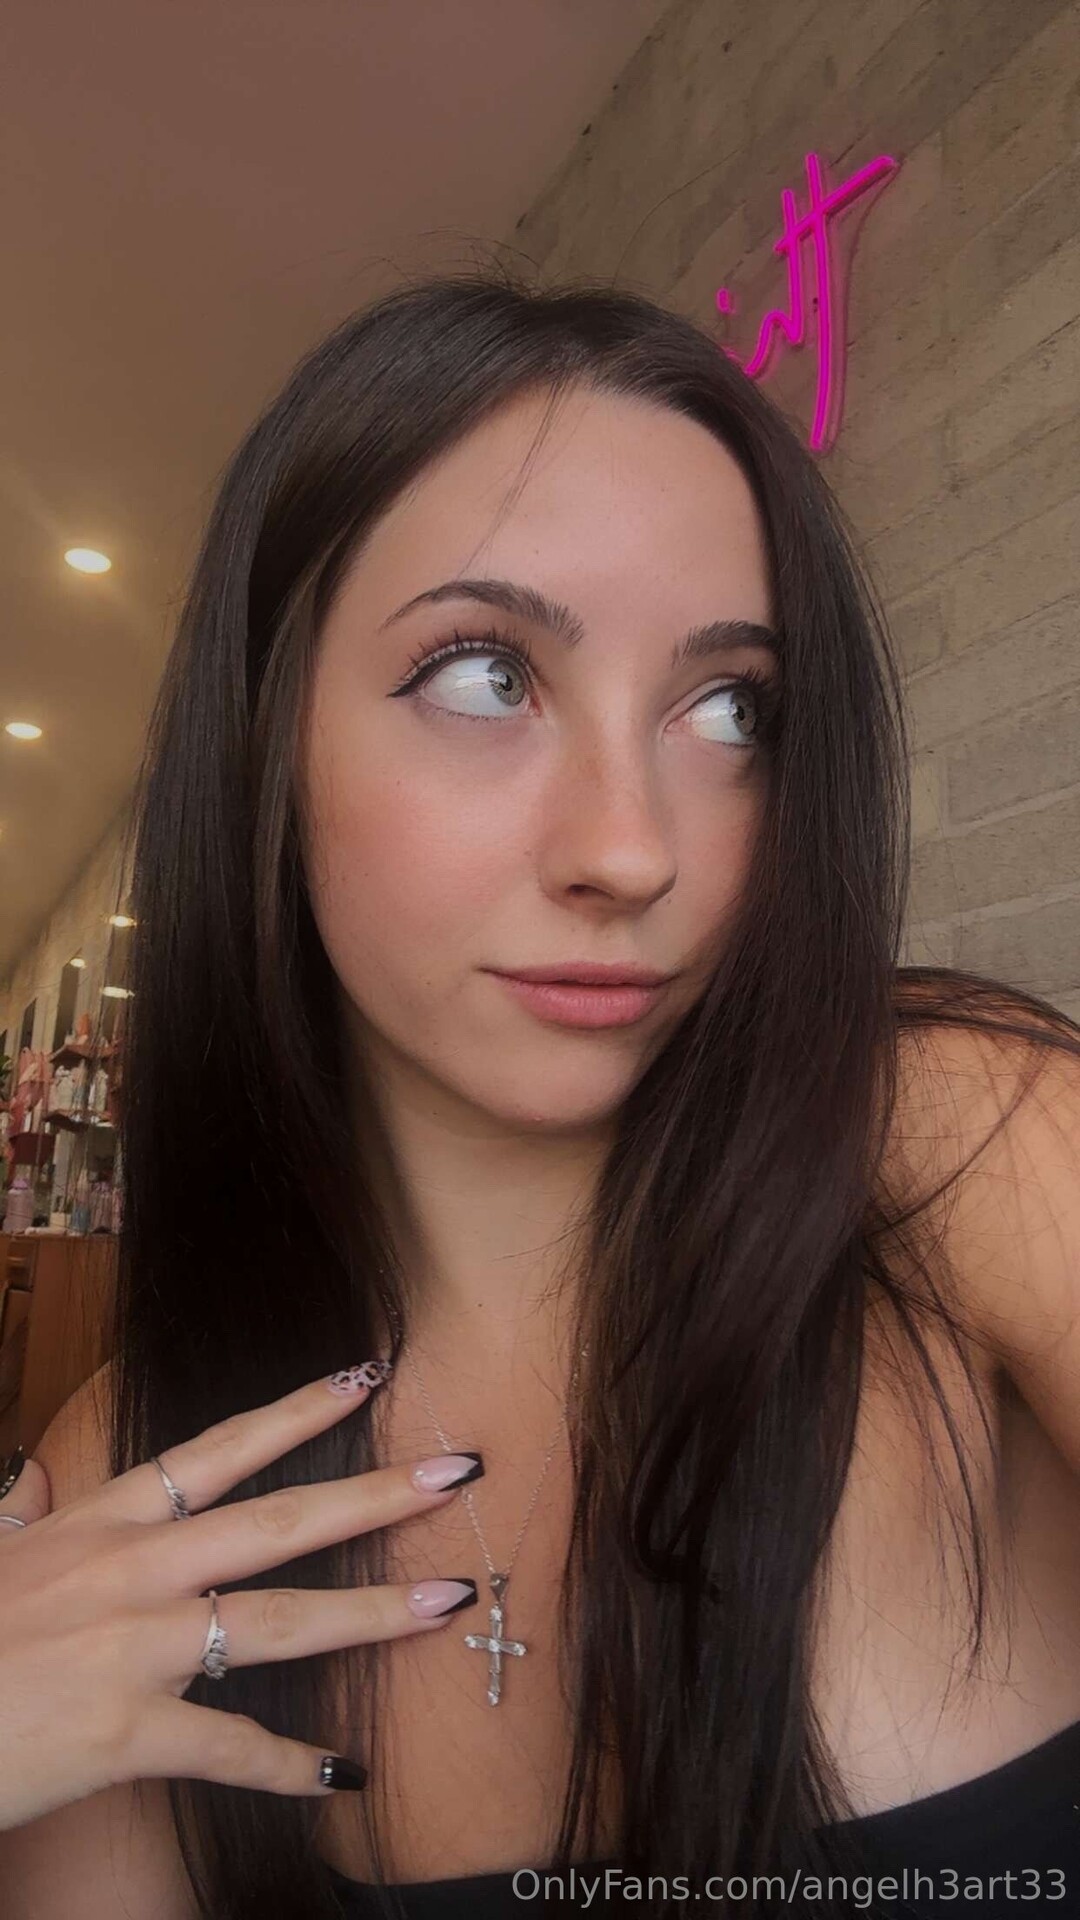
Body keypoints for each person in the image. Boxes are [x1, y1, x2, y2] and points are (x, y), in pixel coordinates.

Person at [1, 264, 1078, 1920]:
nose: (632, 849)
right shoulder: (147, 1465)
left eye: (731, 707)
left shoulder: (956, 1144)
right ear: (266, 739)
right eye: (486, 675)